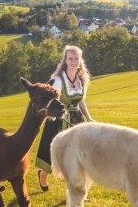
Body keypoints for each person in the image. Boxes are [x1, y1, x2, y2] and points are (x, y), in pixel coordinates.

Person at [35, 45, 94, 191]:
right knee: (53, 156)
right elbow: (51, 101)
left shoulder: (82, 80)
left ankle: (77, 189)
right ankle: (42, 175)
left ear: (80, 61)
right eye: (70, 58)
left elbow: (80, 101)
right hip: (58, 120)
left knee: (79, 157)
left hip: (76, 120)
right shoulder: (57, 80)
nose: (74, 61)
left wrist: (89, 118)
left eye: (76, 58)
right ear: (65, 61)